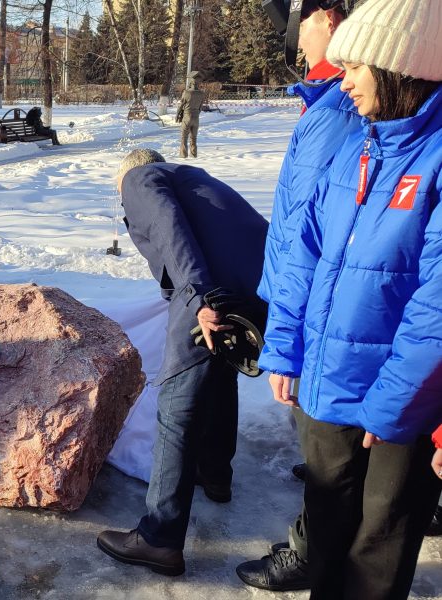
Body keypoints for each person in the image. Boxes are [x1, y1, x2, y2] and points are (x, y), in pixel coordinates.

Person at [258, 0, 442, 597]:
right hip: (326, 384)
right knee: (329, 540)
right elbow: (302, 249)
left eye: (357, 65)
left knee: (375, 555)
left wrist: (393, 406)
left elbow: (437, 308)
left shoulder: (435, 158)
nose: (347, 80)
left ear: (400, 69)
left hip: (402, 409)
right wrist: (285, 344)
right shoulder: (360, 144)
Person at [236, 0, 361, 591]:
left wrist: (288, 326)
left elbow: (318, 233)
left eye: (298, 20)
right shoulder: (331, 100)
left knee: (327, 448)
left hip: (320, 305)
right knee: (324, 446)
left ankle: (312, 552)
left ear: (330, 19)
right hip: (303, 296)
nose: (292, 34)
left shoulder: (346, 107)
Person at [96, 149, 268, 576]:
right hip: (257, 287)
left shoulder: (140, 178)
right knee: (219, 373)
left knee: (177, 406)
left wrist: (201, 297)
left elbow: (169, 228)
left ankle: (158, 538)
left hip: (213, 292)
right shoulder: (195, 179)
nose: (123, 207)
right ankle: (215, 475)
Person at [176, 72, 205, 158]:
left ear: (191, 82)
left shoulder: (186, 93)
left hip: (187, 115)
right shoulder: (201, 94)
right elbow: (200, 107)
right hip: (196, 117)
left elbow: (181, 105)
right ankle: (193, 154)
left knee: (184, 137)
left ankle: (183, 155)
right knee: (193, 138)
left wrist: (177, 114)